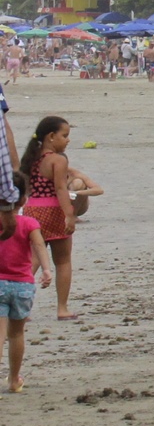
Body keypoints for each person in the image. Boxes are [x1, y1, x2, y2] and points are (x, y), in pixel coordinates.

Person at [19, 118, 79, 320]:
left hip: (32, 210)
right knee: (63, 261)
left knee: (31, 260)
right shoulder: (58, 160)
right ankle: (62, 308)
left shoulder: (31, 157)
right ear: (51, 137)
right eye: (65, 136)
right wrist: (69, 215)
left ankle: (21, 308)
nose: (68, 140)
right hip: (53, 210)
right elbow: (60, 189)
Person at [0, 198, 53, 392]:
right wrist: (46, 269)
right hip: (23, 286)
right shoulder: (29, 223)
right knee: (16, 334)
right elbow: (39, 246)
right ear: (23, 200)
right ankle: (14, 379)